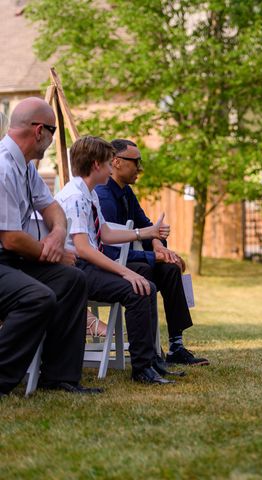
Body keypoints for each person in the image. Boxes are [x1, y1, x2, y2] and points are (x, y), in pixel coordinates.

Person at [55, 135, 175, 385]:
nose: (112, 168)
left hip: (86, 265)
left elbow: (105, 233)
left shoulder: (88, 193)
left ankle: (149, 362)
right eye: (110, 163)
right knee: (138, 289)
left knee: (144, 285)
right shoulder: (75, 197)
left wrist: (146, 233)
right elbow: (83, 249)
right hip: (75, 270)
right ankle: (142, 369)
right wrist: (125, 272)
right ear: (97, 165)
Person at [0, 97, 100, 395]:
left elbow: (53, 208)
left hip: (13, 258)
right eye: (54, 132)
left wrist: (57, 235)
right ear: (40, 131)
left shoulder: (27, 167)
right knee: (37, 296)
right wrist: (52, 253)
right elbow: (11, 237)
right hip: (6, 255)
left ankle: (59, 377)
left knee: (72, 279)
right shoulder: (4, 167)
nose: (53, 140)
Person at [95, 139, 209, 366]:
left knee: (170, 268)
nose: (140, 168)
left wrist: (159, 247)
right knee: (147, 268)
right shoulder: (104, 197)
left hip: (129, 261)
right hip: (107, 266)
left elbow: (146, 226)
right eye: (135, 162)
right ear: (116, 162)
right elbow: (110, 253)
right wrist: (151, 255)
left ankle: (176, 345)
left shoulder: (126, 192)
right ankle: (148, 352)